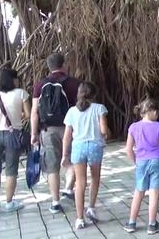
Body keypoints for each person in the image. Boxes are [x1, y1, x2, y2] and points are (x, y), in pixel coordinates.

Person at [31, 53, 81, 213]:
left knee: (52, 166)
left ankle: (55, 202)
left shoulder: (40, 85)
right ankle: (68, 188)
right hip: (71, 129)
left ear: (49, 66)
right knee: (74, 160)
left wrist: (33, 133)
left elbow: (34, 112)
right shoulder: (75, 83)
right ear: (64, 65)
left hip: (48, 130)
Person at [0, 68, 31, 213]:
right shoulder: (21, 93)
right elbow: (28, 115)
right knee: (11, 169)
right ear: (13, 79)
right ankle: (9, 202)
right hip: (13, 135)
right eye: (17, 78)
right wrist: (17, 116)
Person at [61, 82, 109, 230]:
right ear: (94, 94)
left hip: (78, 147)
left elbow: (67, 136)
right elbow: (103, 130)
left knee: (80, 183)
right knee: (95, 178)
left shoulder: (71, 111)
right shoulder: (99, 108)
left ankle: (80, 219)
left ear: (79, 94)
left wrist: (64, 155)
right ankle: (91, 208)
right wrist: (107, 132)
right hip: (95, 146)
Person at [122, 98, 159, 235]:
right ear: (153, 112)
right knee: (154, 193)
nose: (158, 115)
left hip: (141, 162)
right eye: (157, 113)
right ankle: (152, 224)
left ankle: (131, 223)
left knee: (138, 192)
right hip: (157, 160)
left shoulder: (133, 127)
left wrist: (136, 162)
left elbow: (128, 149)